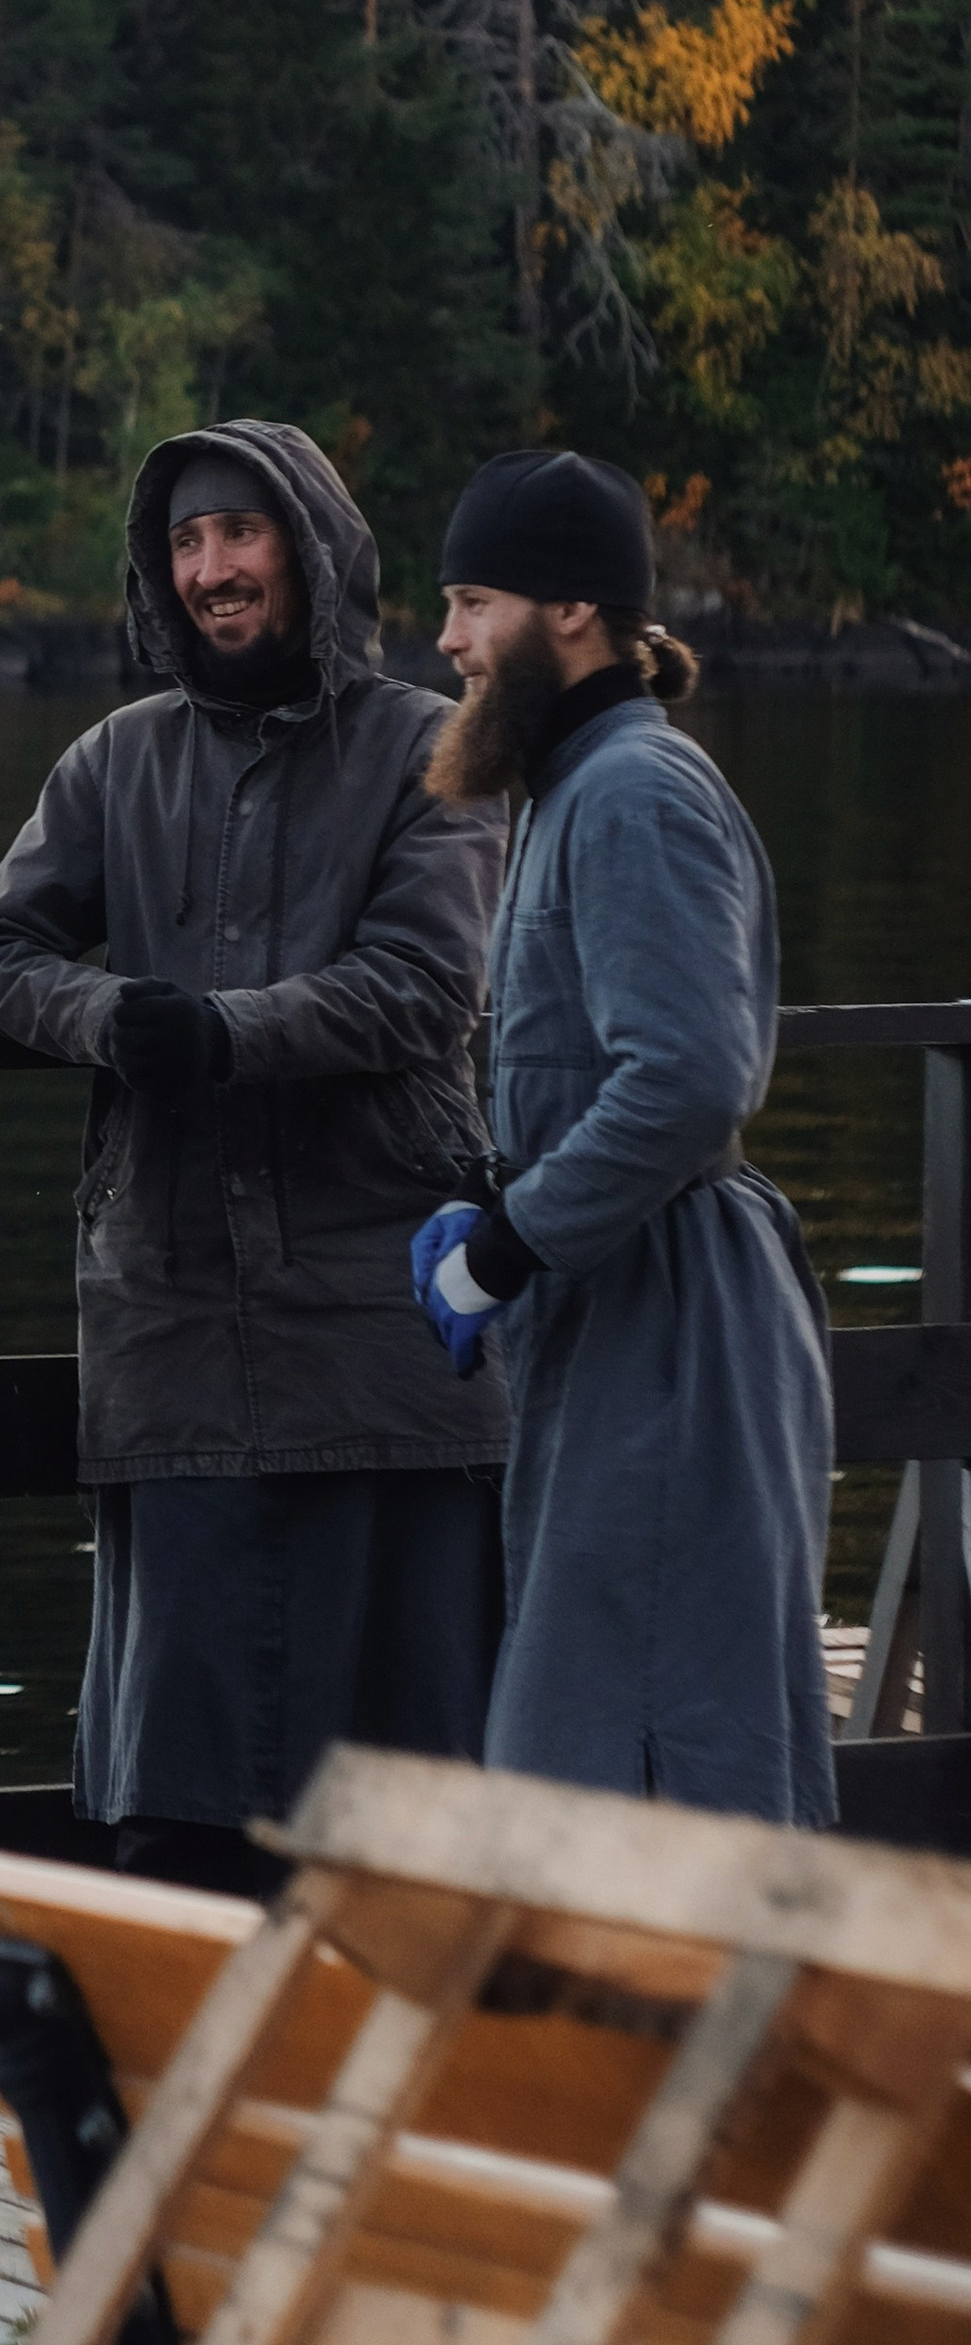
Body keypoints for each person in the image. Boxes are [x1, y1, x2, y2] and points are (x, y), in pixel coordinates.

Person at [0, 424, 509, 1898]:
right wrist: (111, 1016)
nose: (211, 571)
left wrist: (227, 1032)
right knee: (177, 1785)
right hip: (172, 1311)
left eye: (240, 535)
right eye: (187, 544)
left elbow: (425, 986)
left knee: (410, 1786)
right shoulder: (115, 760)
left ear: (310, 548)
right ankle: (173, 2086)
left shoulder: (428, 749)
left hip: (383, 1309)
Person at [413, 447, 836, 1826]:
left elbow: (691, 1078)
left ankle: (705, 2044)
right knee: (590, 1734)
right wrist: (495, 1201)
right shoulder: (571, 785)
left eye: (474, 603)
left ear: (572, 611)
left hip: (673, 1325)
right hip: (612, 1324)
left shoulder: (636, 793)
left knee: (652, 1747)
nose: (449, 640)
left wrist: (507, 1248)